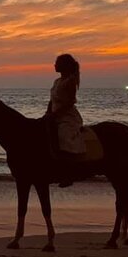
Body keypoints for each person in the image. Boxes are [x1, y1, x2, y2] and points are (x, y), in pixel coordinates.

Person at [45, 53, 86, 187]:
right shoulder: (57, 81)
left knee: (64, 135)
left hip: (67, 116)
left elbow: (69, 102)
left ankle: (69, 173)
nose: (54, 65)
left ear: (64, 65)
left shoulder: (70, 81)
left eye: (57, 63)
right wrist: (48, 113)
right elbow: (52, 100)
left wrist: (56, 115)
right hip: (54, 115)